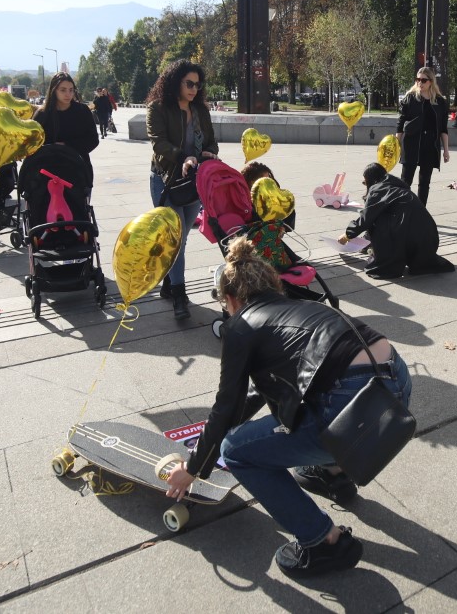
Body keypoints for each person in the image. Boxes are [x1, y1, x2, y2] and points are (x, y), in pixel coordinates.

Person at [163, 238, 411, 578]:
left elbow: (227, 405)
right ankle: (333, 473)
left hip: (350, 404)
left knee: (236, 450)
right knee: (298, 410)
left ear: (231, 299)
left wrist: (193, 468)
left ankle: (324, 541)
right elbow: (256, 394)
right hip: (395, 383)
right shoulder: (299, 306)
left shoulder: (240, 325)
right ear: (271, 284)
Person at [147, 59, 219, 319]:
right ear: (175, 81)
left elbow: (212, 141)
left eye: (198, 85)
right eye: (189, 83)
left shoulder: (200, 110)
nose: (194, 89)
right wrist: (183, 158)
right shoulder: (158, 108)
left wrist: (209, 153)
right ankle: (180, 294)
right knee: (177, 236)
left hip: (194, 182)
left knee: (181, 238)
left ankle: (168, 283)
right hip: (166, 181)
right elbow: (159, 143)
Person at [340, 163, 455, 279]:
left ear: (370, 179)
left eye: (365, 182)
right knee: (383, 217)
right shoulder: (398, 187)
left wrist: (347, 235)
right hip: (427, 238)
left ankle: (389, 262)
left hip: (405, 236)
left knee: (379, 222)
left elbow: (367, 218)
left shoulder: (378, 189)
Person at [395, 65, 451, 207]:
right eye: (417, 79)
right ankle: (402, 210)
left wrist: (446, 150)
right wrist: (396, 143)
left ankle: (421, 213)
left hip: (430, 145)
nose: (420, 83)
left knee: (425, 182)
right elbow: (400, 123)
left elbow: (443, 128)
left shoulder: (440, 102)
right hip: (411, 143)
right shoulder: (410, 98)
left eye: (423, 80)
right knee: (405, 181)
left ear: (431, 81)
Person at [34, 72, 99, 162]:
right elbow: (33, 143)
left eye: (71, 90)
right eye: (63, 90)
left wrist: (66, 146)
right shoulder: (42, 114)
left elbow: (93, 140)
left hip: (78, 166)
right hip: (49, 167)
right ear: (54, 91)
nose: (68, 94)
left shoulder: (82, 110)